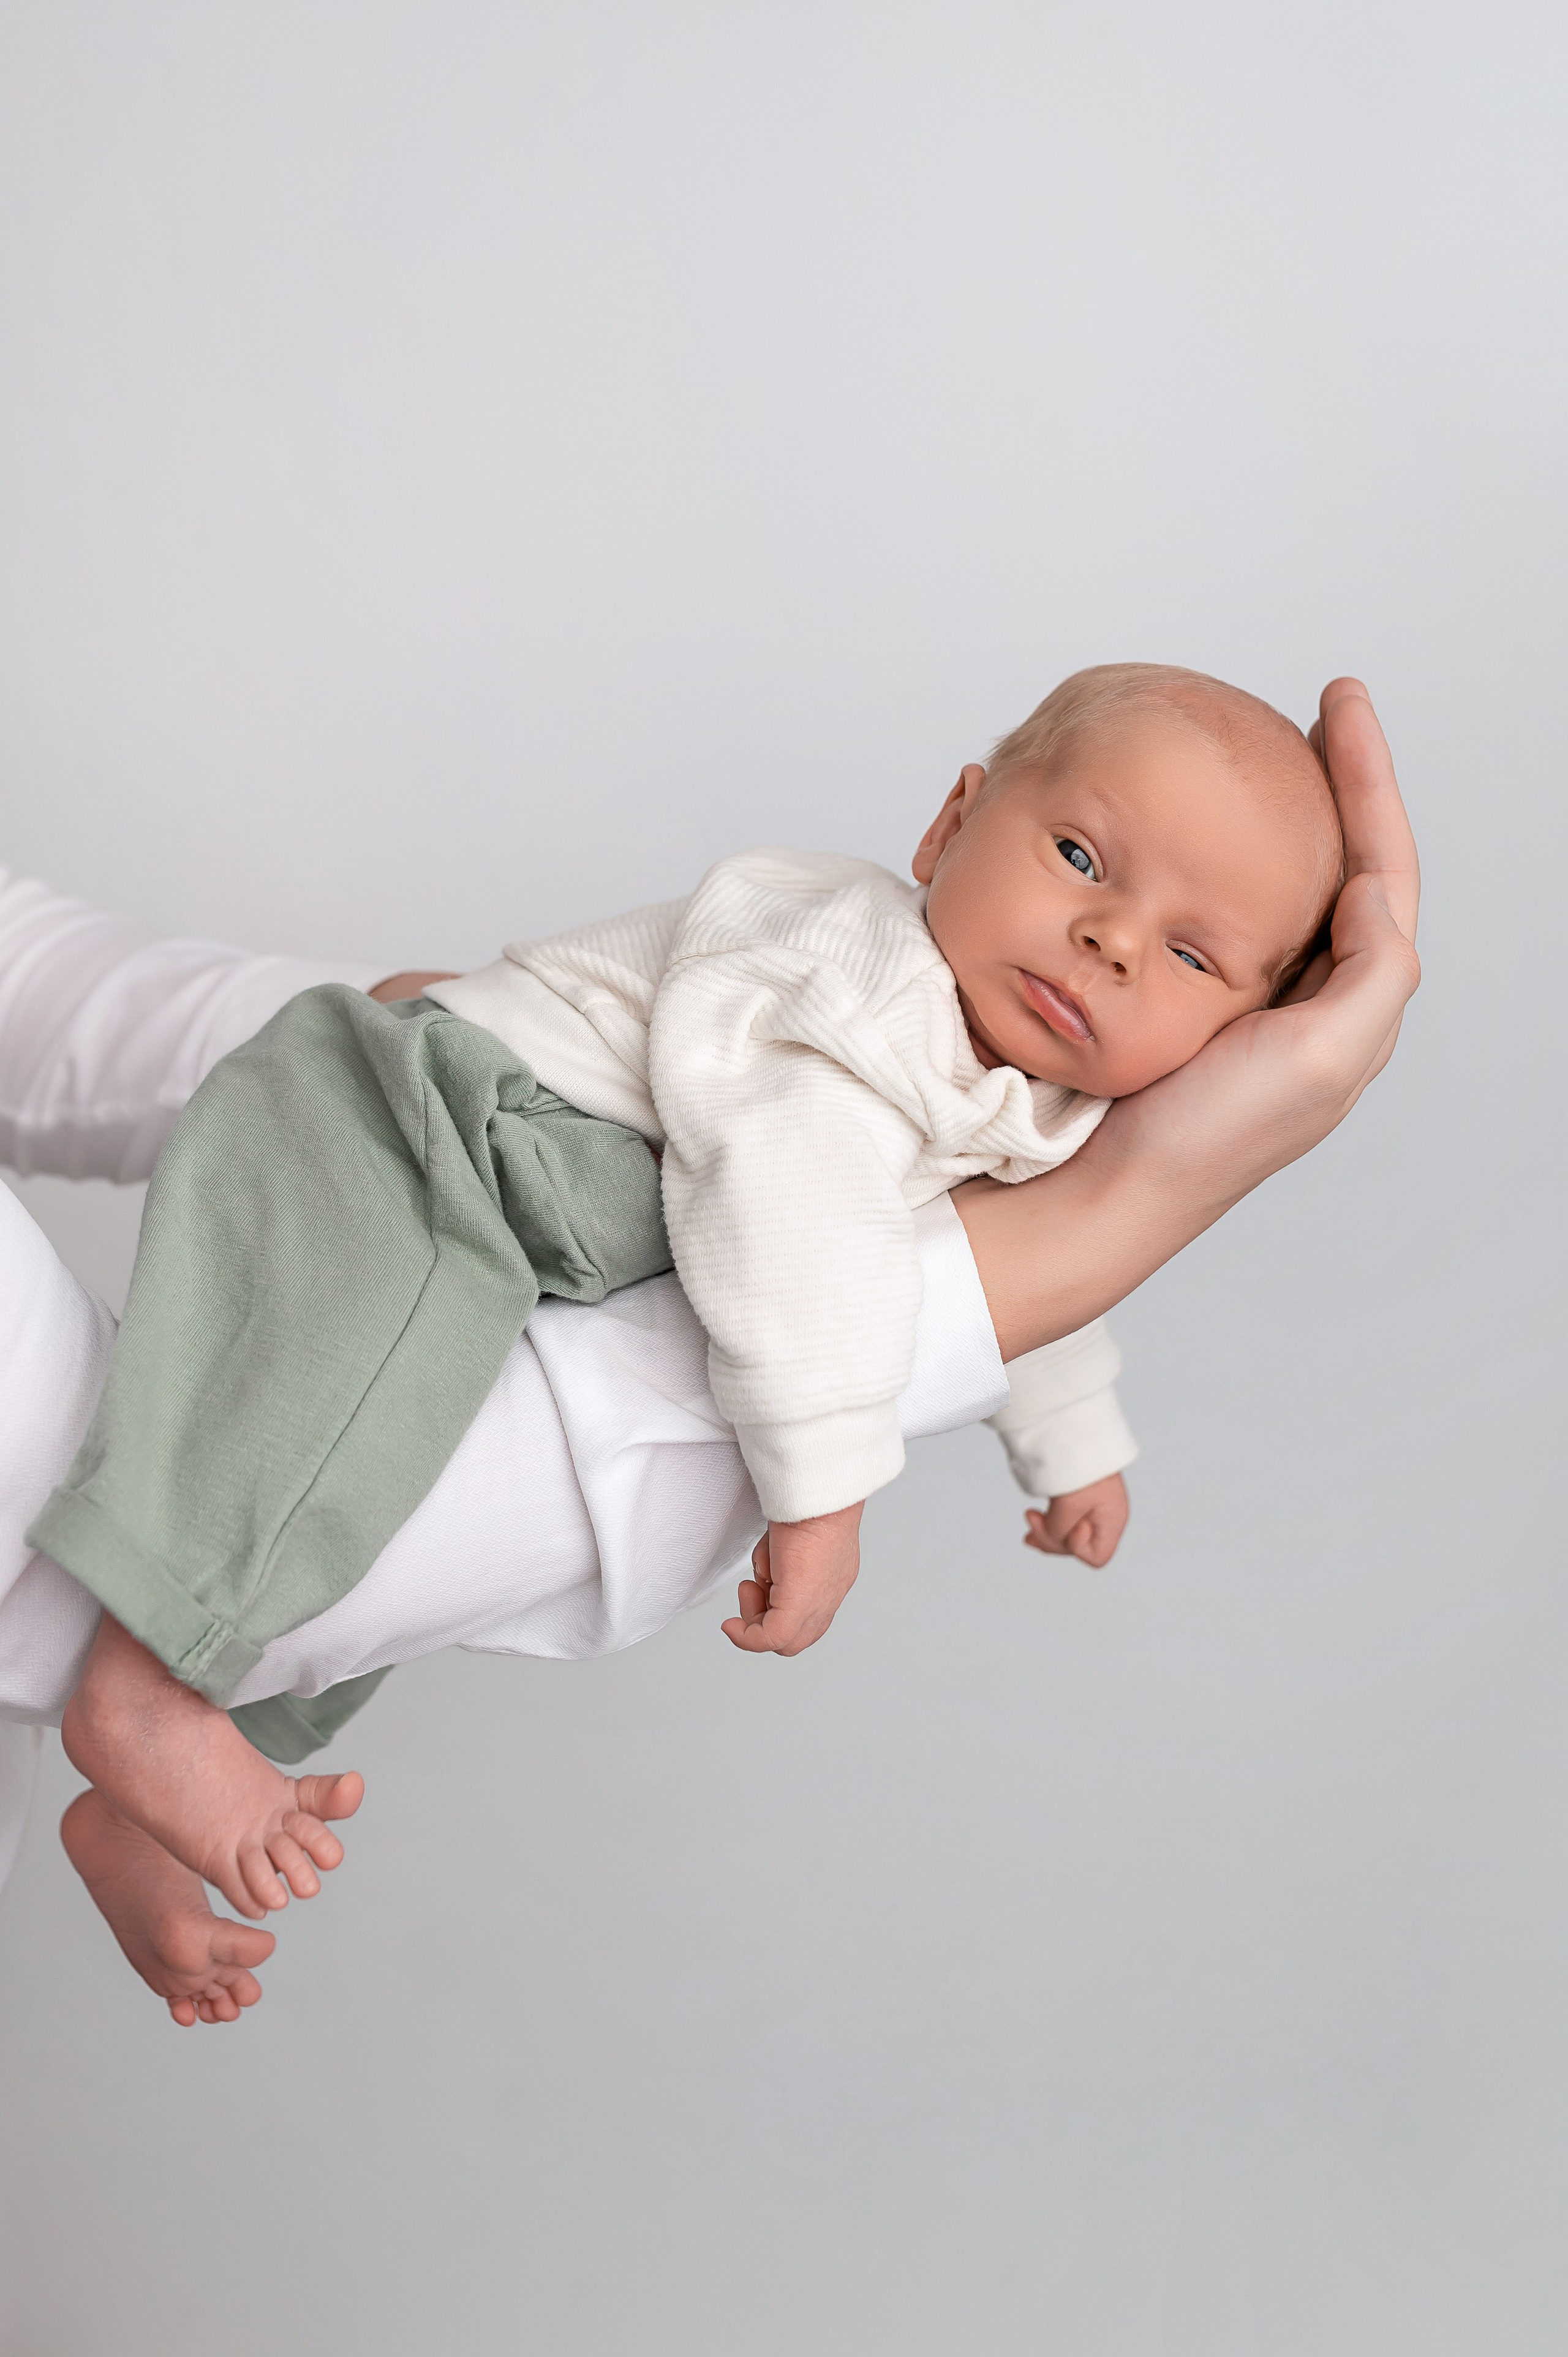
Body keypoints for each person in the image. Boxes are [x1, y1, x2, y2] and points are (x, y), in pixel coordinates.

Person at [0, 675, 1420, 2024]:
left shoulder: (1029, 1094)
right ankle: (139, 1696)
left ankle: (137, 1805)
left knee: (357, 1504)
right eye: (1078, 856)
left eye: (1189, 955)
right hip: (418, 1130)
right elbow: (792, 1202)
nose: (1110, 938)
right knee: (313, 1426)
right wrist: (824, 1488)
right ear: (949, 823)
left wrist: (1069, 1437)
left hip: (529, 1211)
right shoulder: (860, 982)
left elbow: (970, 1238)